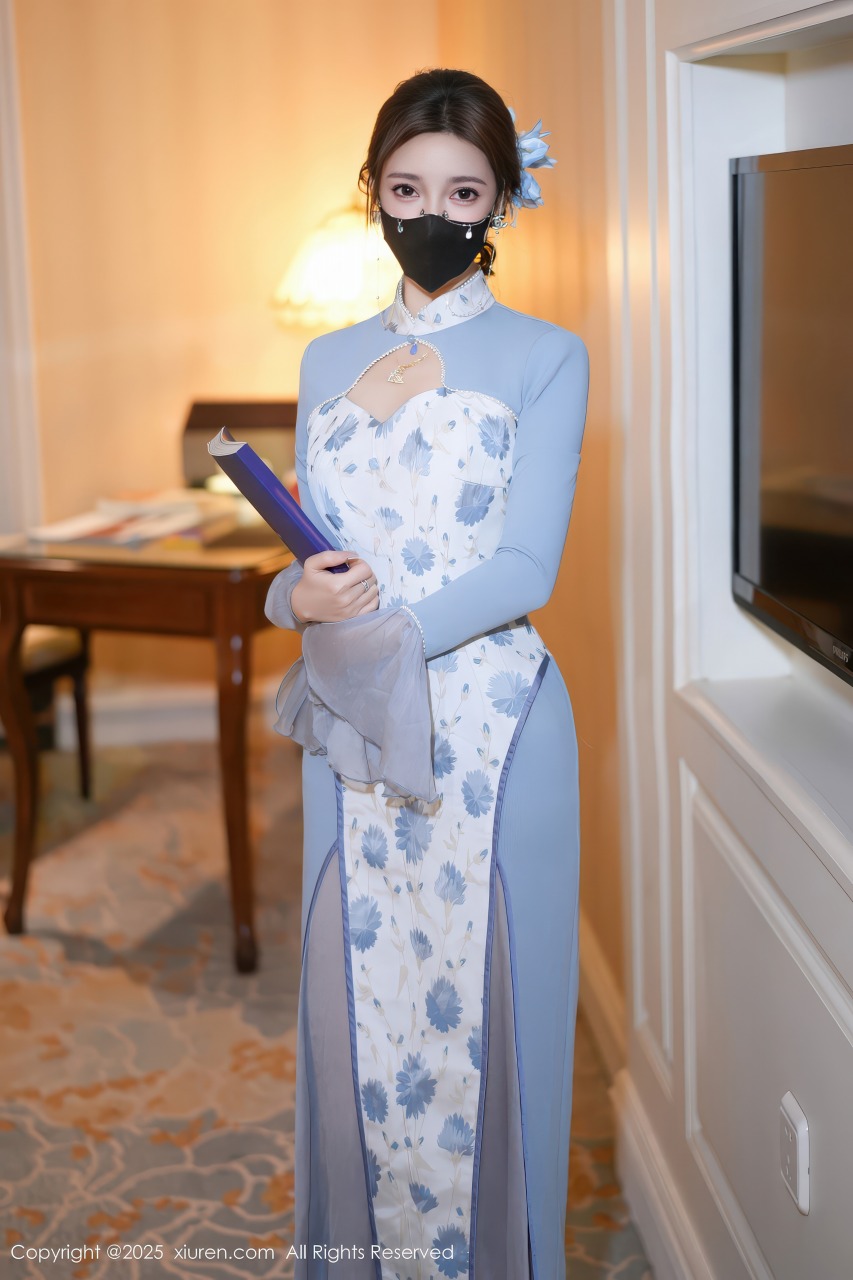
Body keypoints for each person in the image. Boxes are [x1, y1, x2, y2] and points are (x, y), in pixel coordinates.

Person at [265, 68, 590, 1280]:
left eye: (461, 191)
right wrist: (294, 596)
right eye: (406, 189)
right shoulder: (324, 359)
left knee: (488, 1036)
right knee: (359, 1018)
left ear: (501, 200)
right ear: (373, 192)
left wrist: (381, 628)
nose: (432, 214)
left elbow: (525, 567)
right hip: (353, 729)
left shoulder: (546, 356)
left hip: (491, 731)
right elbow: (310, 557)